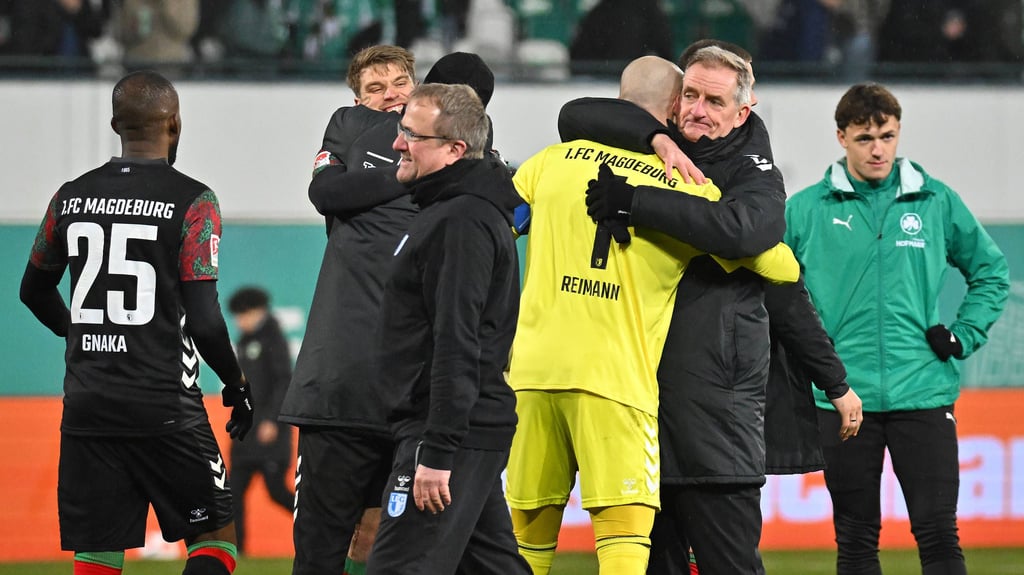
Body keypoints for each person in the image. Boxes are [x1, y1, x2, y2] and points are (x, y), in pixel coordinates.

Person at [562, 44, 860, 574]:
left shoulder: (753, 173)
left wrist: (833, 381)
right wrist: (655, 137)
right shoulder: (658, 145)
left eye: (714, 101)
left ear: (742, 112)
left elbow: (754, 245)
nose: (697, 110)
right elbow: (574, 115)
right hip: (640, 404)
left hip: (717, 413)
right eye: (690, 95)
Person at [506, 55, 800, 575]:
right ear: (670, 111)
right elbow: (777, 263)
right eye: (689, 98)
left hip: (532, 374)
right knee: (623, 541)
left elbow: (499, 218)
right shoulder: (683, 182)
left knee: (526, 545)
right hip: (616, 383)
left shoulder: (546, 163)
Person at [18, 70, 254, 575]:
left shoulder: (70, 197)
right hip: (163, 405)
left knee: (98, 551)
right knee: (216, 539)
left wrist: (76, 332)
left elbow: (32, 290)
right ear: (175, 123)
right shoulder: (195, 201)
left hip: (88, 404)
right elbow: (205, 321)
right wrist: (236, 384)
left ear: (114, 125)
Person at [784, 82, 1010, 575]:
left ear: (899, 132)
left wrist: (964, 334)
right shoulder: (804, 210)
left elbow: (992, 272)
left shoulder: (935, 200)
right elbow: (771, 291)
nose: (878, 149)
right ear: (841, 137)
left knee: (939, 535)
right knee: (856, 542)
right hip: (843, 398)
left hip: (923, 392)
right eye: (864, 138)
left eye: (887, 136)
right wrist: (806, 358)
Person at [364, 83, 530, 575]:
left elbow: (458, 340)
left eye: (413, 135)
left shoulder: (461, 220)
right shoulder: (450, 211)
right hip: (460, 427)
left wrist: (437, 450)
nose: (398, 143)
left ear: (455, 149)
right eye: (402, 130)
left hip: (448, 432)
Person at [277, 44, 417, 575]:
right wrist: (406, 176)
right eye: (375, 88)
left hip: (402, 386)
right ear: (357, 101)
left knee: (380, 532)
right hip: (340, 383)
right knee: (321, 542)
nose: (390, 96)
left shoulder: (447, 142)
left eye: (399, 83)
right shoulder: (346, 126)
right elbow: (325, 192)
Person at [226, 286, 294, 555]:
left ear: (258, 312)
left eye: (243, 315)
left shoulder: (274, 339)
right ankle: (238, 551)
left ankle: (320, 527)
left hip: (269, 432)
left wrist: (271, 420)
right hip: (246, 433)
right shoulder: (244, 341)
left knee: (276, 491)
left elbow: (283, 382)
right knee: (232, 493)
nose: (239, 321)